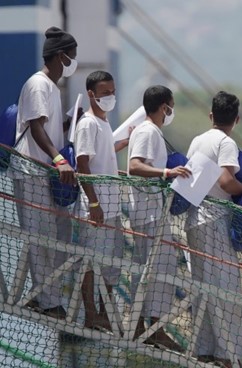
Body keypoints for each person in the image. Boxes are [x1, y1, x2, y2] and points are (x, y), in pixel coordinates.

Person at [11, 26, 78, 319]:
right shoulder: (38, 84)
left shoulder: (53, 87)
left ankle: (48, 295)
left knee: (54, 235)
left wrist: (70, 122)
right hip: (31, 169)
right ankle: (48, 301)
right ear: (61, 56)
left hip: (46, 172)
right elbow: (36, 126)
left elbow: (50, 125)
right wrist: (58, 159)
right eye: (72, 57)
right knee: (39, 236)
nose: (73, 62)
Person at [185, 91, 242, 366]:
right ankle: (228, 356)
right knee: (227, 290)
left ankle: (204, 349)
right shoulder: (226, 142)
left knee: (202, 287)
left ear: (211, 116)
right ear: (236, 119)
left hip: (193, 217)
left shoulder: (198, 140)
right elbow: (226, 181)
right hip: (215, 217)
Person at [127, 85, 190, 352]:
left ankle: (147, 326)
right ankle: (154, 327)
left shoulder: (150, 132)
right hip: (149, 213)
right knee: (159, 271)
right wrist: (167, 172)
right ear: (164, 106)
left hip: (151, 211)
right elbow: (135, 165)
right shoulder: (147, 131)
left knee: (151, 272)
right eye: (171, 106)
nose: (171, 112)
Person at [74, 71, 129, 332]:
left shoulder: (104, 123)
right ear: (91, 94)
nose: (110, 97)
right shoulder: (87, 123)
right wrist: (94, 204)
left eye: (113, 92)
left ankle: (105, 311)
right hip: (95, 208)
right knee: (91, 261)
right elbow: (82, 163)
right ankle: (90, 313)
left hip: (112, 207)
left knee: (113, 261)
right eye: (105, 92)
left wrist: (123, 143)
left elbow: (102, 156)